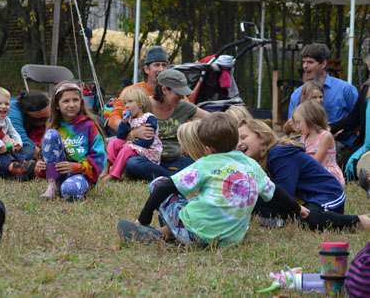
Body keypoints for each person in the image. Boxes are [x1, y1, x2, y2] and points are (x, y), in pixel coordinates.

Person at [117, 113, 301, 247]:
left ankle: (157, 233)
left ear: (208, 148)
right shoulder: (251, 165)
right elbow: (276, 192)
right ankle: (166, 234)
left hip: (196, 235)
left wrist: (144, 217)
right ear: (236, 139)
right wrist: (297, 208)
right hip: (229, 240)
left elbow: (164, 188)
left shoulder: (205, 163)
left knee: (157, 183)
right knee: (199, 200)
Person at [238, 119, 370, 231]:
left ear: (263, 137)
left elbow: (284, 194)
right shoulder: (260, 161)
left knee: (308, 219)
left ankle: (359, 221)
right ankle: (283, 221)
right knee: (253, 207)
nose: (239, 143)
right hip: (303, 200)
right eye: (236, 140)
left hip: (326, 194)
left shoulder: (279, 154)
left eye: (244, 137)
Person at [123, 69, 210, 180]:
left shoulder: (184, 106)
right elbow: (120, 136)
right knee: (133, 163)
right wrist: (134, 133)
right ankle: (175, 178)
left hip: (176, 161)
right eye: (178, 93)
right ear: (164, 90)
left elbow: (213, 119)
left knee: (202, 162)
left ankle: (167, 176)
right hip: (146, 160)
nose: (182, 97)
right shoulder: (142, 105)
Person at [35, 81, 106, 201]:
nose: (72, 104)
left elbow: (99, 159)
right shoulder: (55, 126)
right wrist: (40, 165)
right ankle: (53, 186)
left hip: (81, 174)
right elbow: (46, 156)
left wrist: (77, 167)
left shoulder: (89, 126)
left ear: (81, 102)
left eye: (75, 100)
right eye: (66, 101)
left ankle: (71, 188)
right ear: (57, 105)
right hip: (59, 174)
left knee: (69, 191)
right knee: (50, 134)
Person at [288, 43, 357, 147]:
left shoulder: (346, 89)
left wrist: (336, 129)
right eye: (304, 62)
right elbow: (292, 127)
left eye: (310, 62)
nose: (305, 66)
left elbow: (361, 120)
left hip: (340, 145)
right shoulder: (297, 94)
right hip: (306, 145)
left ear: (323, 64)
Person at [100, 86, 162, 181]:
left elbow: (148, 142)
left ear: (141, 104)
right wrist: (123, 123)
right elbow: (121, 136)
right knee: (113, 142)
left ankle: (114, 175)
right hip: (135, 148)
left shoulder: (149, 118)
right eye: (125, 103)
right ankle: (105, 168)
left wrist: (131, 144)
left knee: (127, 149)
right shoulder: (130, 119)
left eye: (130, 102)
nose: (126, 106)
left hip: (149, 151)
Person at [108, 46, 169, 133]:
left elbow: (189, 114)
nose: (161, 69)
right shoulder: (131, 91)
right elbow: (113, 118)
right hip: (137, 142)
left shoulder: (172, 91)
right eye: (157, 65)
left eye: (164, 65)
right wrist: (132, 133)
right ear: (147, 69)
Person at [331, 54, 370, 183]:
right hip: (365, 146)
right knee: (342, 166)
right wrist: (329, 128)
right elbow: (353, 119)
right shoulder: (367, 88)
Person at [0, 87, 35, 180]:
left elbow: (14, 133)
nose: (3, 106)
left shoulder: (7, 120)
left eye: (7, 104)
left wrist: (18, 143)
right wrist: (0, 146)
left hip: (6, 149)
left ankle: (22, 167)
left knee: (28, 147)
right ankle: (15, 169)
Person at [293, 101, 345, 186]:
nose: (297, 127)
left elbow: (316, 162)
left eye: (299, 122)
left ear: (310, 119)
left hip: (326, 174)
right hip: (312, 172)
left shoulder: (325, 136)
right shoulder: (304, 138)